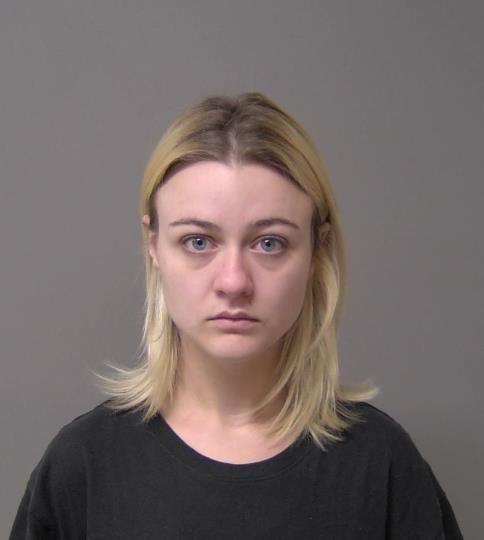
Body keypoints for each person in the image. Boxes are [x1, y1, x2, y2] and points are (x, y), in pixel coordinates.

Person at [9, 92, 463, 539]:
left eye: (269, 243)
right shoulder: (83, 466)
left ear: (316, 250)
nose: (233, 281)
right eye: (198, 242)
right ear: (154, 246)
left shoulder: (382, 465)